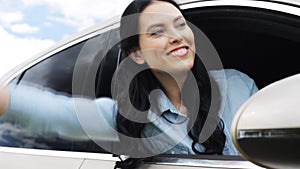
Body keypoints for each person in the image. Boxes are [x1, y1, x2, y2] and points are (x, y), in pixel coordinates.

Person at [0, 0, 258, 158]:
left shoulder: (238, 86)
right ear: (137, 54)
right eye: (157, 32)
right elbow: (57, 113)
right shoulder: (130, 118)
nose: (176, 36)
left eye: (180, 25)